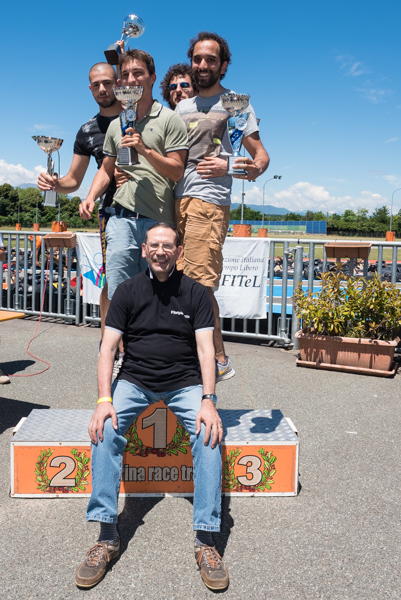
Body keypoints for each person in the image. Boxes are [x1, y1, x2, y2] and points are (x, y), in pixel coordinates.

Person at [75, 223, 228, 591]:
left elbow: (206, 350)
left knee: (209, 434)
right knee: (104, 428)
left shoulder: (196, 293)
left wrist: (208, 401)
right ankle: (106, 536)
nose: (161, 251)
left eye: (168, 246)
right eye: (154, 245)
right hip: (135, 381)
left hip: (185, 383)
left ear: (178, 252)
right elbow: (107, 349)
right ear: (144, 250)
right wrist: (103, 400)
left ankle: (206, 540)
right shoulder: (127, 291)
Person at [174, 31, 270, 382]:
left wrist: (228, 166)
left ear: (223, 65)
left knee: (199, 285)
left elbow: (261, 159)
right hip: (176, 202)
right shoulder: (181, 107)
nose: (203, 65)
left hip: (209, 202)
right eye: (197, 59)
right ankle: (191, 357)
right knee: (178, 284)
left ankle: (218, 359)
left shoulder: (236, 104)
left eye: (211, 60)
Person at [79, 50, 189, 302]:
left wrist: (144, 149)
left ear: (152, 78)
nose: (131, 79)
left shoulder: (170, 119)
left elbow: (177, 171)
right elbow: (106, 169)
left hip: (158, 223)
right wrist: (90, 197)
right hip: (120, 221)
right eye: (126, 74)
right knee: (119, 298)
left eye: (138, 73)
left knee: (159, 300)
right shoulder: (116, 124)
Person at [37, 62, 126, 342]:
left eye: (108, 82)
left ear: (118, 83)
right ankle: (109, 348)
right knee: (113, 281)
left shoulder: (137, 116)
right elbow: (73, 180)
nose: (102, 89)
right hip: (111, 211)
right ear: (90, 88)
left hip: (150, 207)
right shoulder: (87, 130)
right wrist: (54, 183)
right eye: (96, 85)